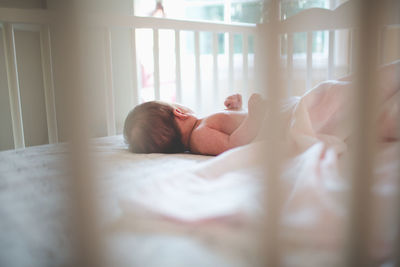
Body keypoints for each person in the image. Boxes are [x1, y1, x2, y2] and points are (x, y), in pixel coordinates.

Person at [123, 93, 267, 155]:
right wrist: (254, 118)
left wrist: (237, 108)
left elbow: (234, 128)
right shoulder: (199, 136)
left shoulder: (201, 127)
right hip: (271, 125)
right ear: (179, 112)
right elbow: (233, 145)